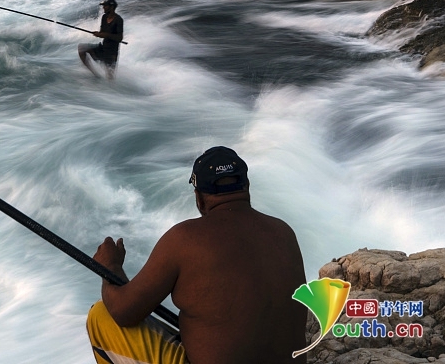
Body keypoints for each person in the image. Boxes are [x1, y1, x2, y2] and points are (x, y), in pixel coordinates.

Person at [87, 146, 308, 364]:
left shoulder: (183, 240)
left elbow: (123, 312)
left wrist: (111, 267)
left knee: (100, 316)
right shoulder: (284, 232)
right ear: (246, 186)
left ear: (199, 199)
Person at [78, 0, 124, 80]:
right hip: (103, 48)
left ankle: (110, 91)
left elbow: (119, 38)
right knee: (81, 48)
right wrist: (99, 33)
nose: (103, 7)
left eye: (105, 6)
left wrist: (105, 35)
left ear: (112, 7)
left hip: (112, 53)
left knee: (110, 79)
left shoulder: (119, 20)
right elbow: (102, 31)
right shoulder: (104, 17)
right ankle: (95, 75)